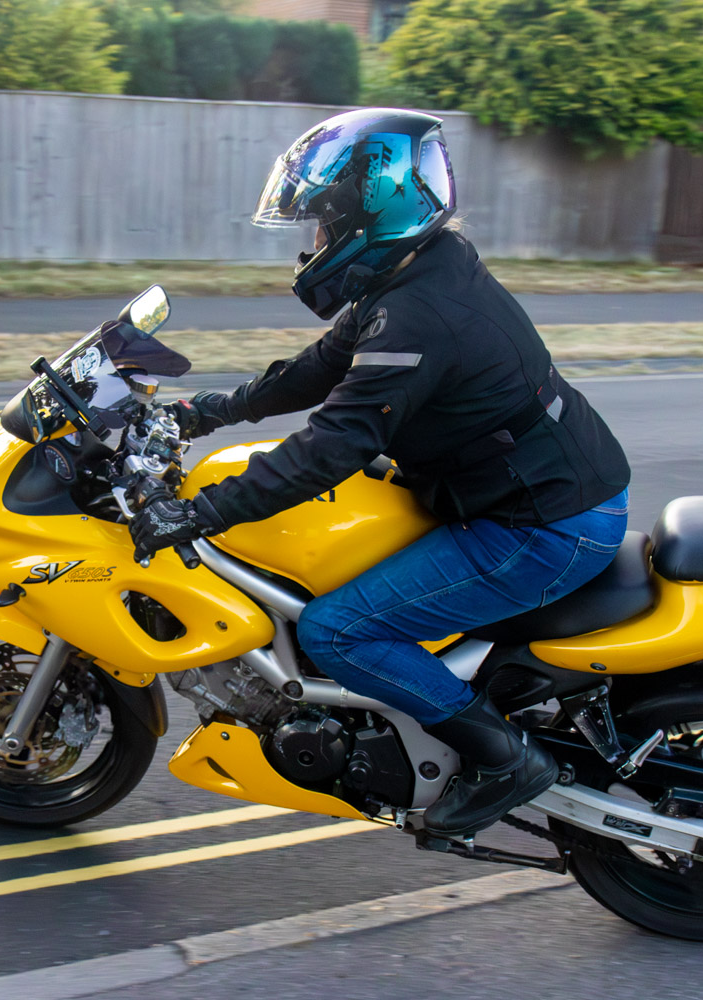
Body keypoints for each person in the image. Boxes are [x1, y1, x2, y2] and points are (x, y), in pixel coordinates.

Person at [129, 108, 631, 837]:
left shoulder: (419, 313)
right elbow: (316, 371)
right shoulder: (418, 272)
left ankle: (506, 760)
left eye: (323, 223)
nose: (315, 242)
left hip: (541, 525)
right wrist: (204, 411)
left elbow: (330, 447)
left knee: (339, 632)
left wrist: (200, 513)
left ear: (371, 216)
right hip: (528, 495)